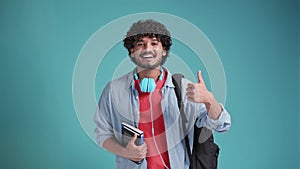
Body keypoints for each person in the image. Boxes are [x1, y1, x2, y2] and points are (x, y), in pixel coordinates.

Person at [94, 19, 231, 169]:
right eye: (141, 44)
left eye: (154, 43)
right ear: (132, 51)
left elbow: (222, 124)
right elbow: (103, 134)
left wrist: (209, 100)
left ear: (164, 50)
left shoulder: (186, 90)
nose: (148, 49)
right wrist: (124, 151)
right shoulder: (114, 90)